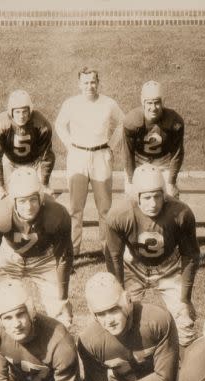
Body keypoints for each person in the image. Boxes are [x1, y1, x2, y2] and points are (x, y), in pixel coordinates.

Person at [105, 165, 200, 348]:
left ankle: (187, 368)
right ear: (136, 196)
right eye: (147, 197)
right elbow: (114, 255)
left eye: (157, 196)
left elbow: (191, 255)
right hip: (134, 266)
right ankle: (126, 364)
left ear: (164, 194)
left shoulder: (180, 213)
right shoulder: (120, 214)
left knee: (185, 321)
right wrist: (119, 290)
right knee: (122, 315)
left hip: (169, 267)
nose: (153, 203)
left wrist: (186, 298)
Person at [0, 167, 73, 328]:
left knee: (62, 315)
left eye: (33, 199)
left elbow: (64, 256)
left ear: (41, 197)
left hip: (45, 257)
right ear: (12, 200)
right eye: (22, 201)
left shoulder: (56, 215)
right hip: (11, 255)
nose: (28, 206)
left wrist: (62, 298)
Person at [54, 67, 124, 256]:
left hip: (101, 155)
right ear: (79, 84)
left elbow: (123, 122)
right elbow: (59, 124)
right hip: (78, 156)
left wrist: (111, 145)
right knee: (76, 207)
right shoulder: (71, 103)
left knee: (105, 207)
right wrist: (70, 145)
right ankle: (74, 249)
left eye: (93, 82)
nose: (89, 86)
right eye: (85, 82)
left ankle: (107, 248)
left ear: (98, 82)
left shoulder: (108, 103)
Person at [0, 90, 56, 202]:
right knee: (0, 198)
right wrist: (0, 185)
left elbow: (47, 156)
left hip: (35, 163)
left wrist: (44, 183)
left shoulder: (41, 124)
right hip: (9, 163)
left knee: (45, 198)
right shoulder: (1, 125)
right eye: (18, 112)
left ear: (30, 111)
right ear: (11, 112)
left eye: (25, 111)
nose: (21, 116)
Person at [123, 81, 184, 198]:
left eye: (157, 103)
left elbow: (177, 153)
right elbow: (127, 153)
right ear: (143, 102)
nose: (153, 107)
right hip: (139, 159)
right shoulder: (132, 121)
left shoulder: (174, 120)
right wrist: (131, 179)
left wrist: (171, 181)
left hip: (164, 160)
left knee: (170, 196)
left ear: (163, 102)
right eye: (149, 103)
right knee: (133, 196)